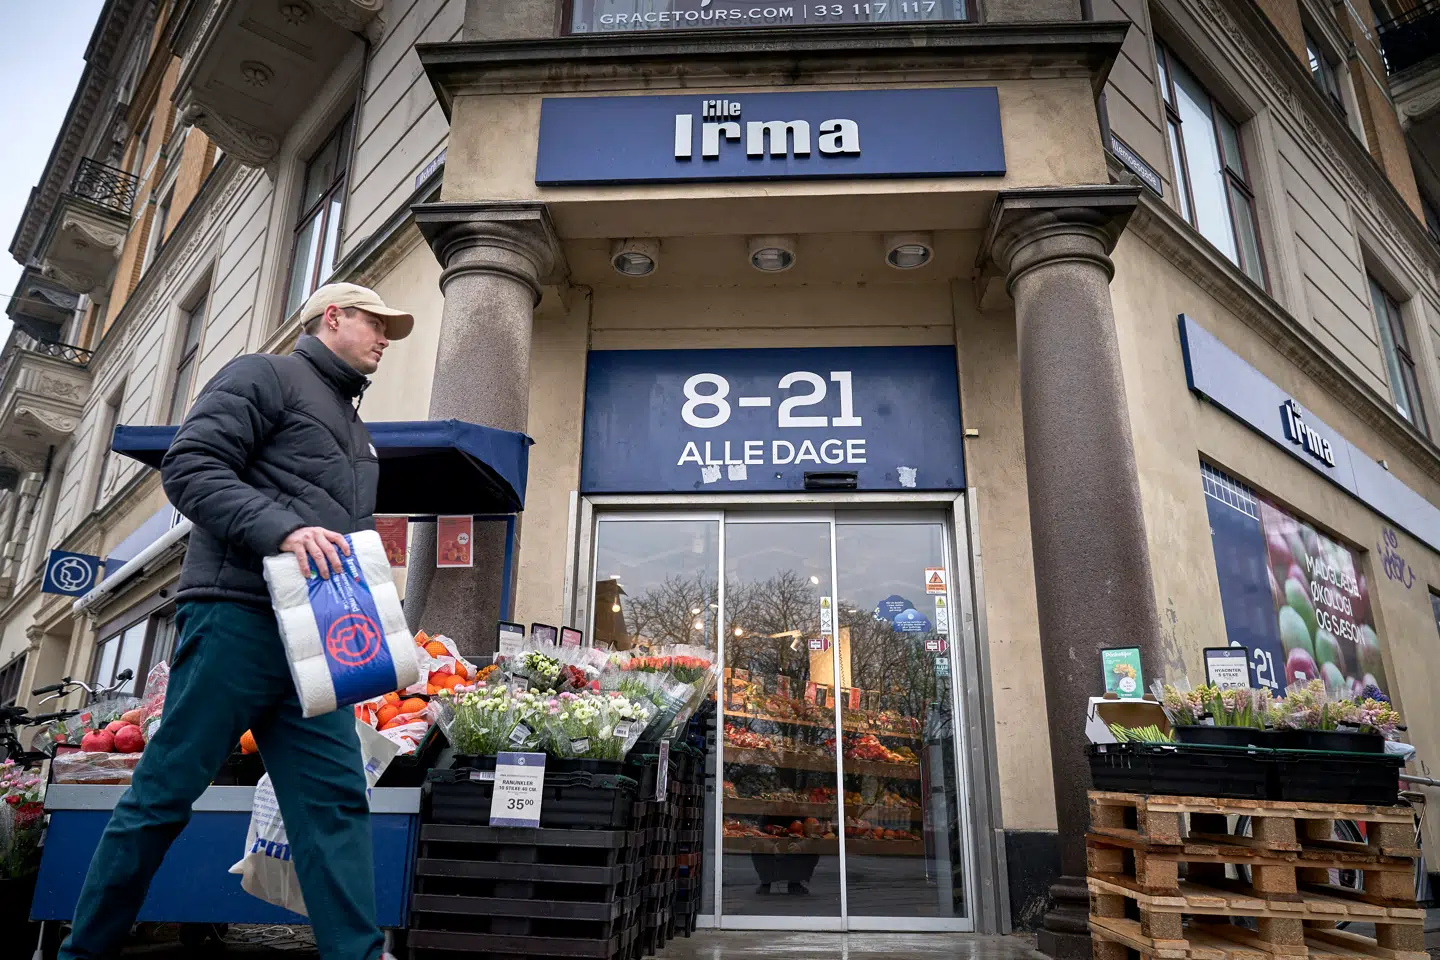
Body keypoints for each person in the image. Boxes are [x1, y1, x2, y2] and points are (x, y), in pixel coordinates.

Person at [60, 283, 416, 960]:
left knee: (336, 807)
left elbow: (346, 535)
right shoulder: (266, 373)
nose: (385, 339)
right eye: (376, 323)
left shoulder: (355, 428)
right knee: (164, 794)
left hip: (315, 644)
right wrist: (281, 529)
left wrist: (372, 620)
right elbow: (191, 467)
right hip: (237, 618)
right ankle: (84, 950)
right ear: (331, 317)